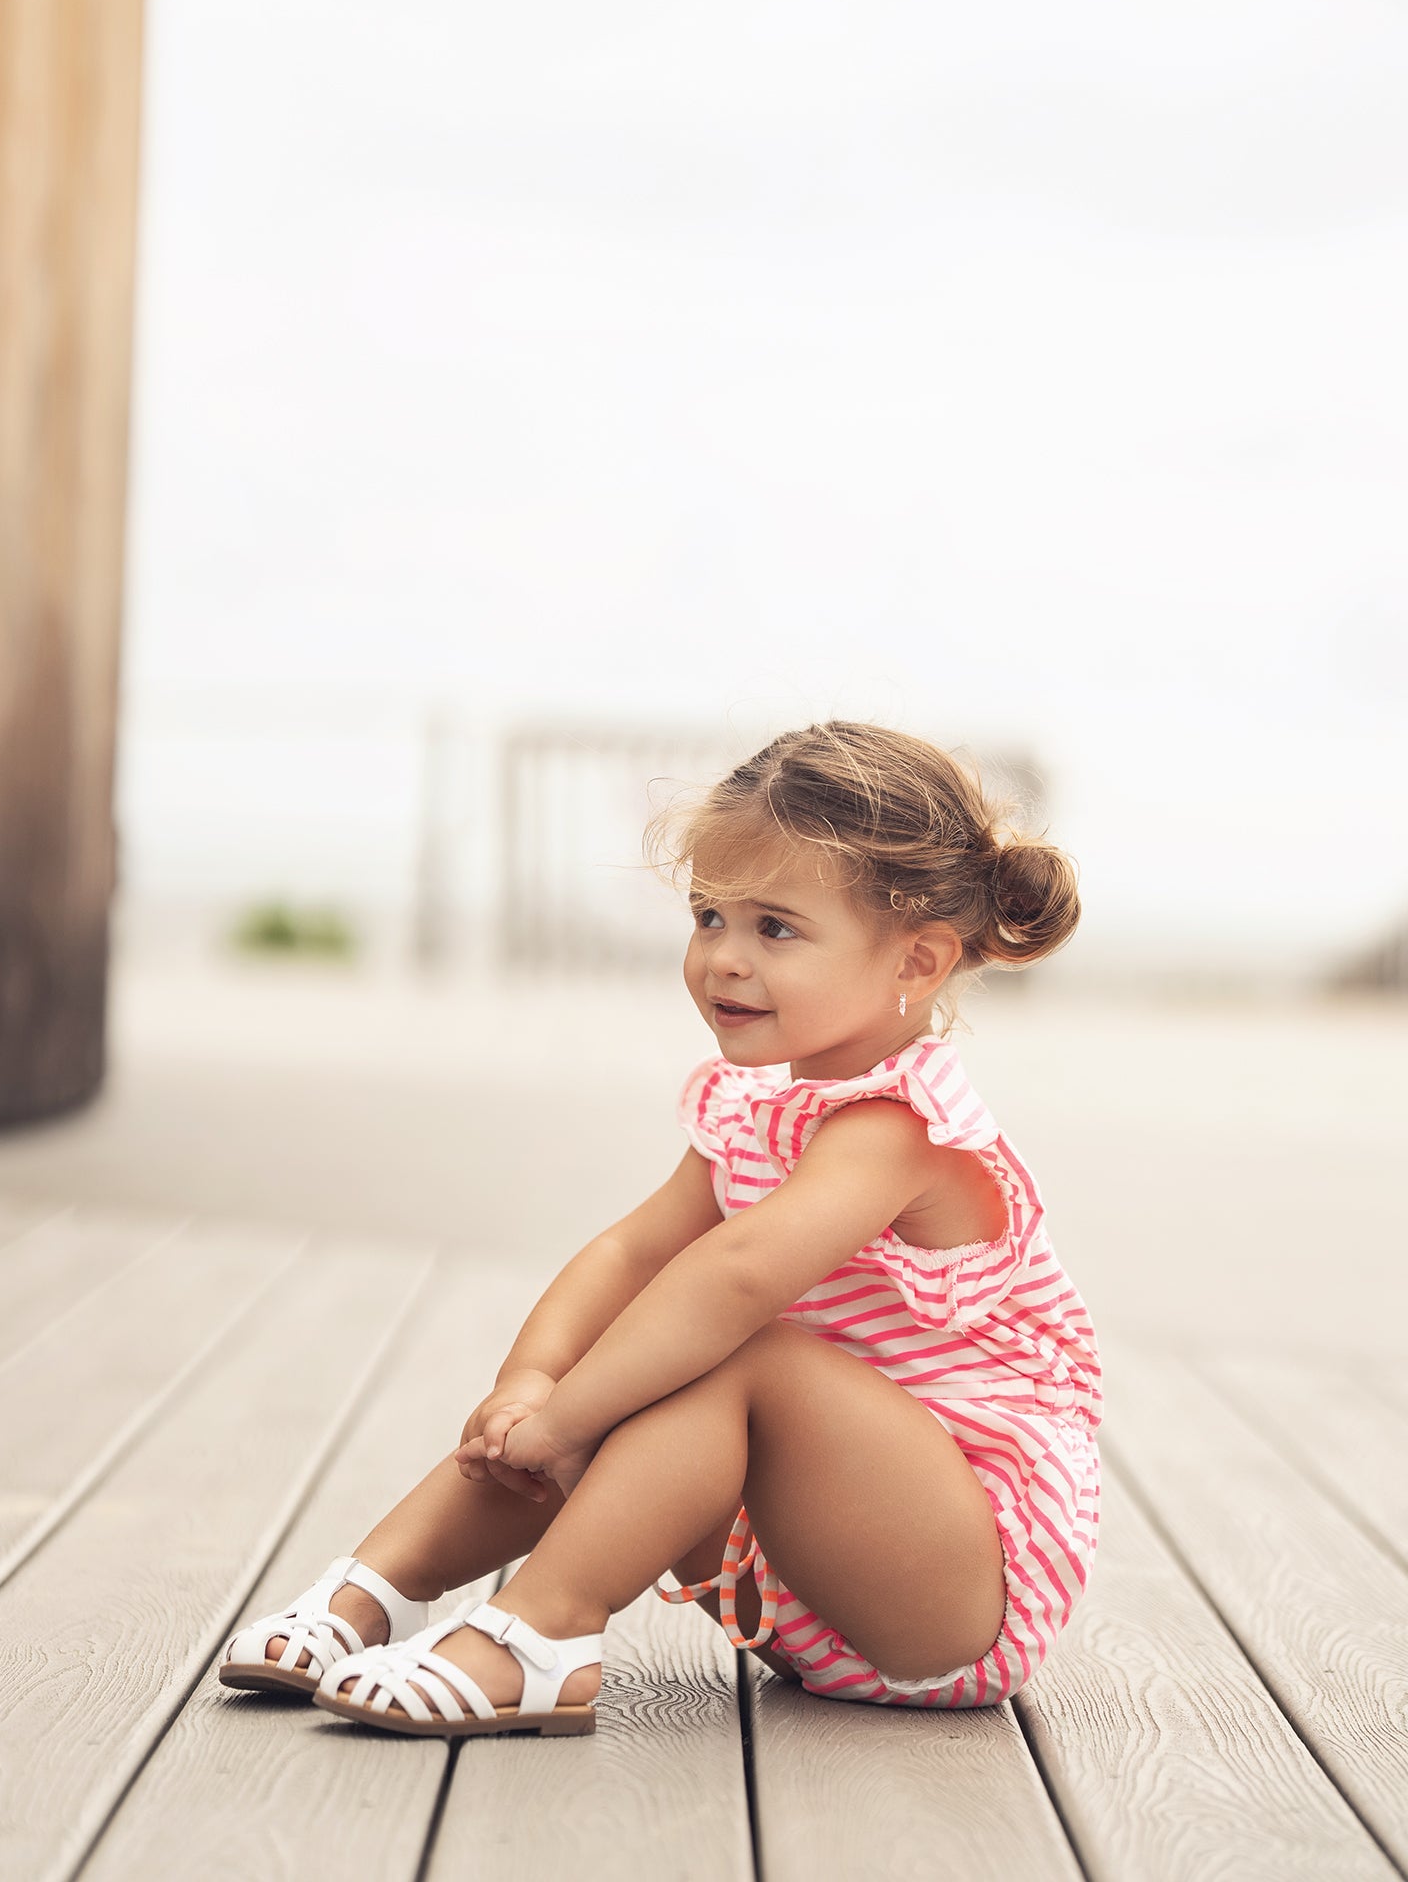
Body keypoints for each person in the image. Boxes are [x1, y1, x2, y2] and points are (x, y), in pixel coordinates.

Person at [219, 720, 1100, 1736]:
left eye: (775, 929)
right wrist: (531, 1383)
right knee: (637, 1355)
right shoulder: (753, 1113)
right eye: (709, 916)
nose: (723, 959)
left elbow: (736, 1277)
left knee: (729, 1349)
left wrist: (568, 1419)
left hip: (954, 1601)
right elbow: (632, 1253)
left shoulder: (901, 1131)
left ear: (918, 958)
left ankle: (544, 1633)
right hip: (792, 1590)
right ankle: (373, 1592)